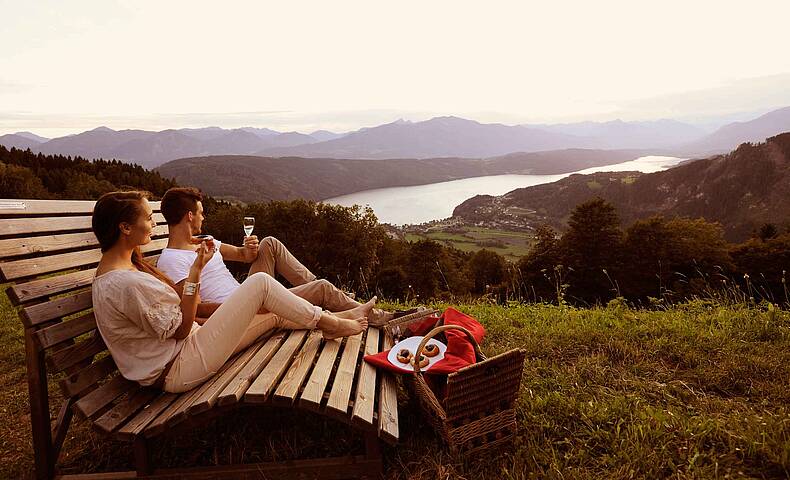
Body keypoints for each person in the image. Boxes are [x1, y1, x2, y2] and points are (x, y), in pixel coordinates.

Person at [90, 190, 370, 393]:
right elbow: (181, 327)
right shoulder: (126, 283)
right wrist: (195, 273)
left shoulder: (122, 274)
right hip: (179, 366)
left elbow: (175, 324)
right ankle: (332, 322)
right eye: (149, 218)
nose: (153, 224)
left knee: (273, 312)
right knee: (260, 284)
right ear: (125, 227)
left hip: (188, 351)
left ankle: (333, 318)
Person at [156, 187, 393, 326]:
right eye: (200, 214)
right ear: (189, 216)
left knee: (269, 243)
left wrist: (250, 248)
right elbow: (194, 310)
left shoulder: (206, 241)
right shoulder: (171, 261)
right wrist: (244, 304)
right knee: (322, 289)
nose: (203, 218)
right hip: (240, 306)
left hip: (249, 290)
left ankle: (326, 296)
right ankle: (380, 318)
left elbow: (243, 256)